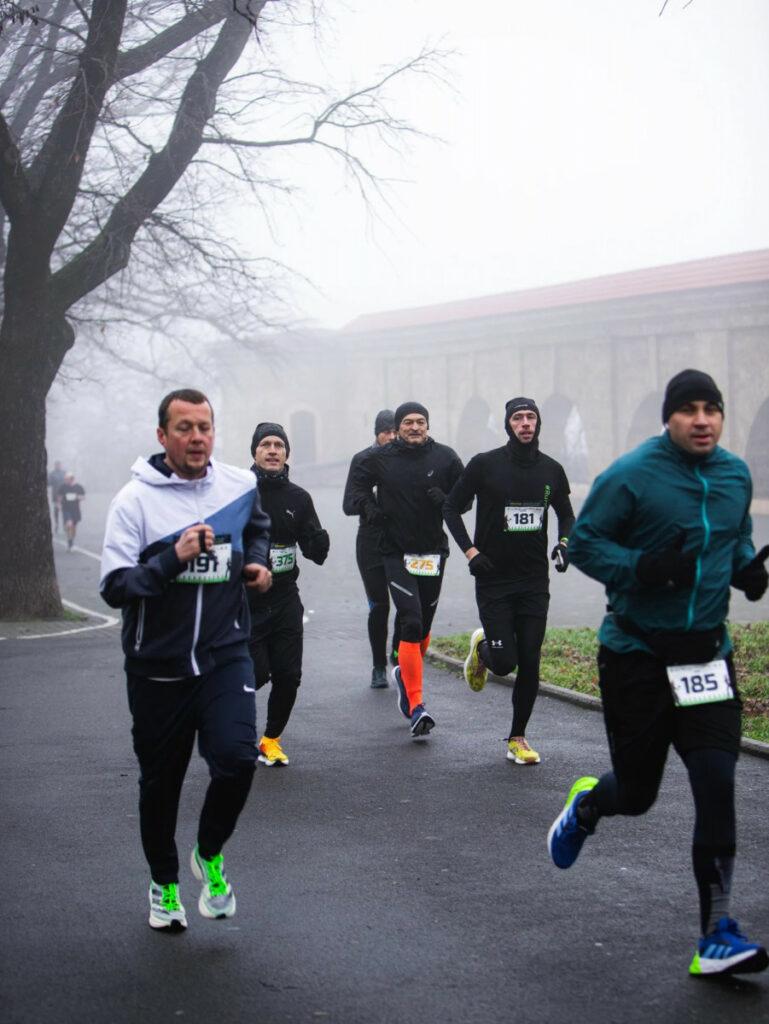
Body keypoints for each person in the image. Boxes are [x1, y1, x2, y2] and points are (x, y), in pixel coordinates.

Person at [547, 369, 769, 977]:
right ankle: (589, 806)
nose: (702, 419)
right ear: (669, 417)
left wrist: (748, 570)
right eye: (689, 409)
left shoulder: (733, 475)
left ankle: (716, 933)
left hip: (707, 656)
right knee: (638, 794)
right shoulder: (632, 475)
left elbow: (736, 538)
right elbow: (586, 543)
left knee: (717, 785)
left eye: (712, 409)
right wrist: (644, 567)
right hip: (637, 655)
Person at [100, 388, 272, 933]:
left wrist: (260, 565)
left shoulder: (240, 486)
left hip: (225, 655)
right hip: (158, 667)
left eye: (205, 427)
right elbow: (114, 587)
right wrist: (171, 560)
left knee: (239, 759)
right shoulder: (134, 501)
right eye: (184, 428)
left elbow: (258, 529)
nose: (196, 437)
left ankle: (209, 852)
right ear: (162, 436)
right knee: (161, 783)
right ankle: (164, 885)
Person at [443, 397, 574, 764]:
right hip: (493, 578)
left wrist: (565, 544)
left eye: (531, 417)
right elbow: (450, 507)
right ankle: (484, 650)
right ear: (508, 425)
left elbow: (566, 515)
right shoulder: (484, 465)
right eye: (518, 418)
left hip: (534, 580)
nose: (525, 423)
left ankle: (518, 737)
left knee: (530, 660)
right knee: (505, 663)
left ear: (538, 424)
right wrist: (471, 552)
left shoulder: (551, 470)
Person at [347, 401, 464, 738]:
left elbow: (465, 496)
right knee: (410, 620)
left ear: (428, 425)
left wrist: (446, 498)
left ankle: (403, 673)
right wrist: (370, 507)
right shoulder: (379, 458)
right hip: (395, 553)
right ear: (397, 428)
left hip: (432, 553)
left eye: (421, 422)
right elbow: (353, 493)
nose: (415, 427)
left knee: (423, 627)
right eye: (409, 422)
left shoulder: (445, 457)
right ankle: (416, 706)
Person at [247, 422, 330, 767]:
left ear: (286, 453)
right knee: (256, 672)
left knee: (288, 674)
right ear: (254, 452)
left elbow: (313, 548)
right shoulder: (239, 492)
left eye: (279, 445)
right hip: (246, 601)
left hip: (284, 597)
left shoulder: (298, 498)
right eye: (265, 444)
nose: (272, 450)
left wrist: (318, 542)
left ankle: (270, 740)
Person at [343, 409, 399, 688]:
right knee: (379, 606)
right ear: (376, 433)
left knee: (407, 604)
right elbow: (347, 505)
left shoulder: (406, 459)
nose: (390, 436)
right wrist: (369, 503)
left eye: (394, 431)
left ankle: (398, 654)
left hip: (403, 541)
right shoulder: (363, 460)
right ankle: (378, 665)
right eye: (385, 431)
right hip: (371, 543)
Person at [56, 471, 85, 550]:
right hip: (66, 509)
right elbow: (59, 496)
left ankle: (71, 539)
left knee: (73, 527)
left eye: (67, 479)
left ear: (72, 479)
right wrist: (59, 504)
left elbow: (83, 497)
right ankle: (70, 543)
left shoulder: (78, 487)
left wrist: (77, 497)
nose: (66, 481)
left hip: (75, 510)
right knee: (69, 524)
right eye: (65, 479)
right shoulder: (63, 487)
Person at [48, 461, 65, 533]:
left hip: (64, 495)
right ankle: (57, 524)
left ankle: (65, 524)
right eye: (57, 465)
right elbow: (49, 483)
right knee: (56, 510)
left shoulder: (64, 473)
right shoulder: (52, 474)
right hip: (55, 495)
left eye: (59, 465)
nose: (58, 466)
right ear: (55, 466)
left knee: (65, 510)